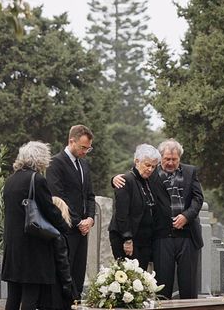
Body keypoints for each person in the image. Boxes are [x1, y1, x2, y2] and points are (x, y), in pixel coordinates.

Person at [113, 139, 204, 299]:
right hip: (162, 237)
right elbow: (132, 178)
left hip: (188, 236)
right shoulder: (151, 173)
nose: (170, 163)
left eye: (174, 159)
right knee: (162, 287)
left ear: (180, 158)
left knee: (189, 285)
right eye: (167, 159)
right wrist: (114, 179)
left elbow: (198, 199)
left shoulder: (190, 172)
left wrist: (186, 216)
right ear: (160, 158)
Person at [2, 141, 70, 310]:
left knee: (13, 298)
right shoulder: (37, 180)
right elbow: (50, 210)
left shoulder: (11, 180)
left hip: (13, 247)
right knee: (30, 299)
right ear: (40, 159)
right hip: (33, 249)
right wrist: (65, 228)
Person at [46, 125, 96, 297]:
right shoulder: (56, 163)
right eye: (83, 147)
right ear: (71, 141)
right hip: (66, 229)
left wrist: (90, 218)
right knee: (65, 278)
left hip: (83, 230)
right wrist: (77, 221)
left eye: (88, 148)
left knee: (78, 276)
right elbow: (58, 196)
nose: (85, 152)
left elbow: (90, 195)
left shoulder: (84, 164)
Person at [109, 144, 160, 270]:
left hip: (144, 239)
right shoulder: (126, 180)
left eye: (153, 166)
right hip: (126, 238)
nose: (150, 169)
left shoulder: (148, 181)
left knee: (141, 279)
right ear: (137, 161)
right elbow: (122, 213)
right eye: (147, 165)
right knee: (129, 278)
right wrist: (127, 239)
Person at [37, 196, 75, 310]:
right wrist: (68, 284)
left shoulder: (43, 233)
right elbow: (62, 262)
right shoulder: (59, 236)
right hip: (57, 282)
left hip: (45, 280)